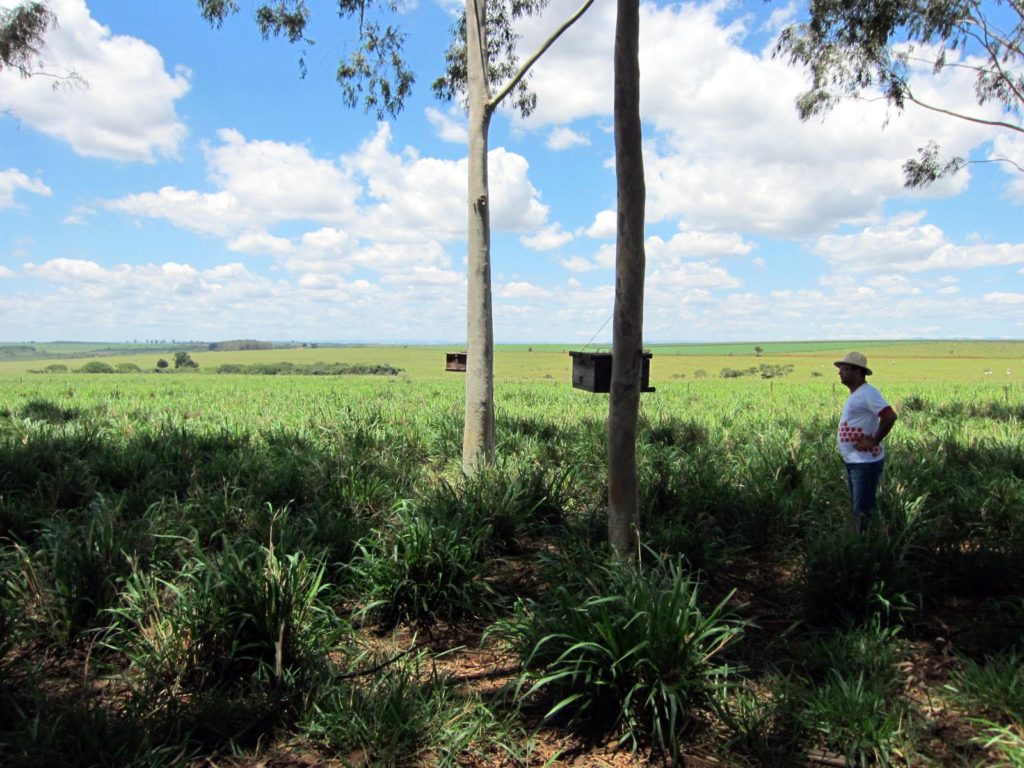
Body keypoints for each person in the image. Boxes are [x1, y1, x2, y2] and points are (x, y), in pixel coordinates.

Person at [834, 352, 897, 533]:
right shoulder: (858, 394)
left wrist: (874, 439)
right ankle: (866, 542)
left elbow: (889, 416)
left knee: (862, 511)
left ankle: (865, 548)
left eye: (844, 369)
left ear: (857, 372)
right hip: (856, 462)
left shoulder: (868, 393)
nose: (840, 373)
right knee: (860, 508)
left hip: (865, 463)